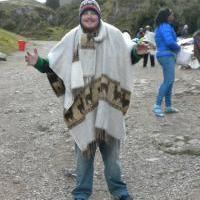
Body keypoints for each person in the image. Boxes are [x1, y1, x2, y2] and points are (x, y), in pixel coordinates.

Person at [25, 0, 148, 199]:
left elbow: (128, 55)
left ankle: (119, 191)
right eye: (85, 13)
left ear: (98, 15)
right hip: (83, 107)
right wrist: (37, 63)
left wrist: (137, 52)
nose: (89, 16)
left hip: (109, 105)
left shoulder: (113, 34)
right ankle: (81, 193)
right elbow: (54, 64)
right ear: (80, 16)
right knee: (84, 155)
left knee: (113, 158)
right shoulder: (71, 37)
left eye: (93, 13)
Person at [153, 8, 181, 117]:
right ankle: (157, 106)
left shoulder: (161, 27)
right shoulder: (165, 26)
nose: (173, 16)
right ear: (167, 16)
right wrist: (178, 48)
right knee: (168, 81)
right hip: (167, 55)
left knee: (169, 81)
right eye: (171, 14)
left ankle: (168, 106)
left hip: (164, 55)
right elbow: (169, 41)